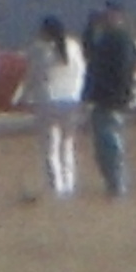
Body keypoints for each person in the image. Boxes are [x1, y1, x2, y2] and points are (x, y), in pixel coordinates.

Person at [22, 15, 86, 197]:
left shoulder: (39, 49)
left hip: (48, 100)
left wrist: (26, 95)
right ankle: (69, 185)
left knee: (51, 147)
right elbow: (82, 71)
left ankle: (56, 187)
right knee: (67, 144)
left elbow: (33, 75)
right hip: (72, 99)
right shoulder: (73, 46)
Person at [81, 0, 136, 197]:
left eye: (108, 14)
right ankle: (113, 184)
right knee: (102, 147)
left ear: (118, 15)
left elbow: (124, 69)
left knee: (110, 142)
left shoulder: (122, 38)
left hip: (112, 99)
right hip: (101, 99)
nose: (105, 17)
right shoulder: (106, 38)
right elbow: (89, 53)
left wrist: (119, 93)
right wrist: (90, 27)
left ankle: (118, 185)